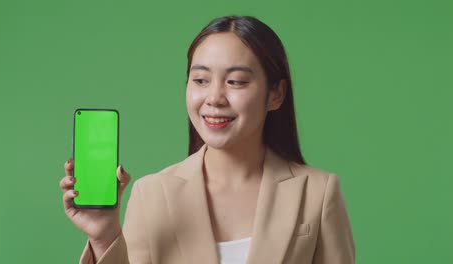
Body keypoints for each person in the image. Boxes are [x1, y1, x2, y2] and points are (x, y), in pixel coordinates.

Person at [60, 15, 355, 264]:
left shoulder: (318, 192)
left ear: (276, 94)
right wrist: (104, 236)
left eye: (236, 81)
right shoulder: (151, 195)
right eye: (200, 80)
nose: (214, 98)